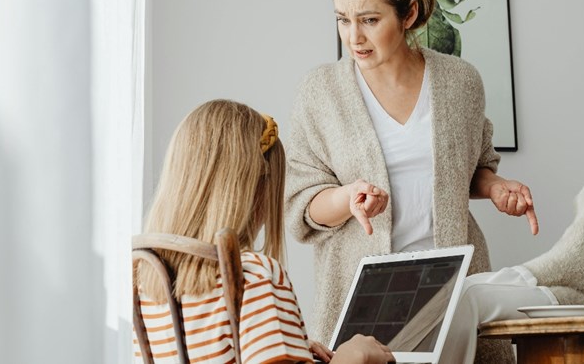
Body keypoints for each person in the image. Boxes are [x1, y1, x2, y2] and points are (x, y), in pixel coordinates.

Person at [285, 0, 536, 349]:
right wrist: (346, 197)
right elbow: (300, 206)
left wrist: (497, 187)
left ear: (409, 14)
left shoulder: (460, 82)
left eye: (369, 19)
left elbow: (474, 167)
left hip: (453, 289)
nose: (354, 37)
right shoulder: (319, 93)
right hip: (364, 300)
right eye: (343, 20)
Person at [134, 99, 394, 364]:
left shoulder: (145, 279)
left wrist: (286, 343)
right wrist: (351, 357)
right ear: (257, 187)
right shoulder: (252, 276)